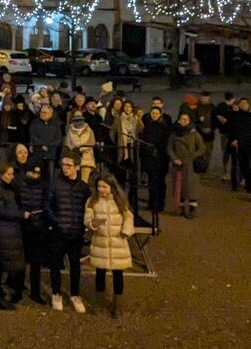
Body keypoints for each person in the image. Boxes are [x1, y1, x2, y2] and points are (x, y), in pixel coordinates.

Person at [84, 173, 133, 318]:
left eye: (104, 187)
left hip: (118, 241)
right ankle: (99, 303)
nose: (101, 189)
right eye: (99, 186)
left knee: (118, 274)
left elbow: (128, 216)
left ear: (112, 187)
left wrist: (126, 231)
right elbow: (87, 217)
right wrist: (92, 224)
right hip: (101, 242)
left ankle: (117, 305)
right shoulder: (92, 201)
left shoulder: (120, 201)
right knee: (100, 273)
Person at [46, 152, 90, 313]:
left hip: (76, 231)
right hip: (59, 230)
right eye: (63, 165)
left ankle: (75, 293)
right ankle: (56, 292)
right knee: (55, 264)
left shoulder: (84, 188)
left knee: (75, 265)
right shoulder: (55, 184)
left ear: (77, 167)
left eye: (68, 165)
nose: (65, 168)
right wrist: (56, 221)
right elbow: (48, 205)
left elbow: (88, 207)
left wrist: (84, 225)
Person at [0, 161, 24, 310]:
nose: (12, 177)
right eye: (9, 174)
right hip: (0, 232)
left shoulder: (8, 188)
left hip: (7, 231)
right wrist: (19, 214)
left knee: (1, 267)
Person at [15, 146, 49, 302]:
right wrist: (22, 213)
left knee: (36, 262)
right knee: (21, 259)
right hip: (23, 224)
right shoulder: (20, 184)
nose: (35, 175)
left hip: (38, 224)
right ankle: (18, 288)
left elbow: (46, 203)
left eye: (38, 173)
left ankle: (35, 291)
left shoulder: (43, 185)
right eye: (33, 172)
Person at [139, 105, 172, 233]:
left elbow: (166, 143)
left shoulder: (165, 128)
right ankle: (152, 203)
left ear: (160, 114)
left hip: (161, 159)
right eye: (152, 113)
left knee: (160, 182)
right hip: (150, 159)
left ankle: (160, 203)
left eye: (156, 113)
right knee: (152, 182)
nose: (154, 115)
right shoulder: (147, 127)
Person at [168, 112, 205, 217]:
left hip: (191, 165)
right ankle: (181, 208)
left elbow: (202, 148)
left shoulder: (195, 134)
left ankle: (192, 209)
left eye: (186, 120)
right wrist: (174, 159)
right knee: (179, 187)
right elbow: (170, 148)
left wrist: (193, 155)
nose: (183, 121)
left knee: (191, 188)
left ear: (189, 121)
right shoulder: (174, 134)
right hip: (178, 165)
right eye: (181, 119)